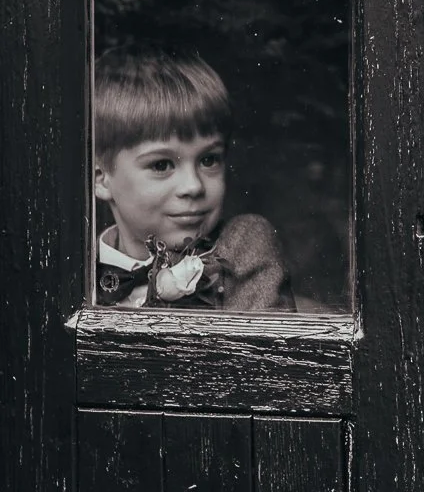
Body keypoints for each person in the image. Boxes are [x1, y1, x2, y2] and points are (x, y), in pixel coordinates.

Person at [93, 46, 296, 311]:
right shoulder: (73, 271)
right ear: (101, 179)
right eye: (161, 164)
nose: (193, 186)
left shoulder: (242, 249)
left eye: (208, 160)